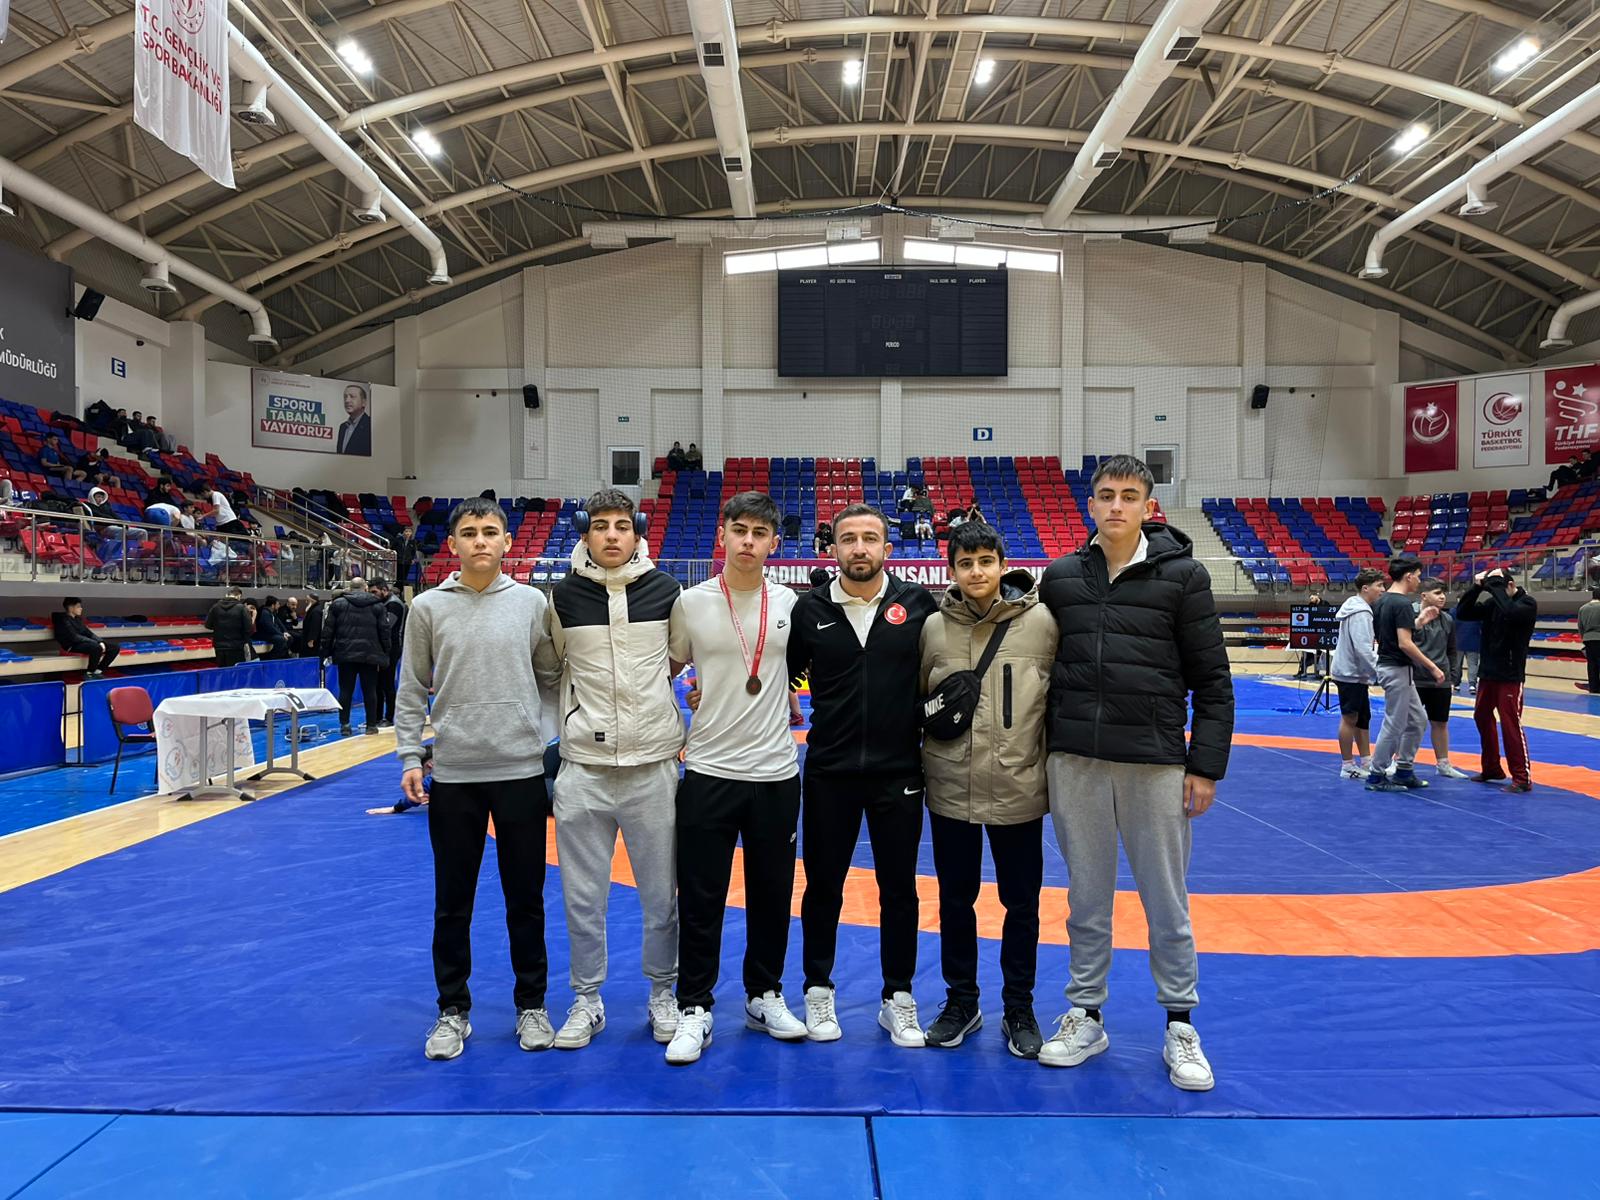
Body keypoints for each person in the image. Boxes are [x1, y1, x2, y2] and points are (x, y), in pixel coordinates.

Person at [1037, 454, 1234, 1092]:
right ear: (1090, 503)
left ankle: (1180, 1023)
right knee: (1086, 899)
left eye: (1128, 495)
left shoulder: (1184, 576)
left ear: (1148, 506)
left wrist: (1204, 766)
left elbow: (1213, 680)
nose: (1116, 505)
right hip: (1076, 761)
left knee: (1166, 900)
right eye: (1105, 494)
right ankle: (1086, 1014)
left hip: (1154, 763)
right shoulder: (1061, 577)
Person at [395, 496, 555, 1060]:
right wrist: (409, 756)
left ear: (508, 542)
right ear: (453, 544)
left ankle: (531, 1005)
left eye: (490, 531)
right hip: (455, 774)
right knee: (452, 901)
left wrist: (542, 735)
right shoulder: (427, 608)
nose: (480, 540)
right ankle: (452, 1010)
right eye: (469, 532)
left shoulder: (533, 603)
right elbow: (411, 686)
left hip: (521, 771)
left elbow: (552, 677)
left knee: (525, 899)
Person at [533, 489, 685, 1050]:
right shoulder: (562, 597)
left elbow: (676, 659)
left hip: (652, 767)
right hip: (584, 770)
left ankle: (662, 993)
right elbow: (550, 669)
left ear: (638, 531)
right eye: (601, 526)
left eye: (622, 525)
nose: (612, 535)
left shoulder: (667, 591)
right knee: (582, 897)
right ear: (585, 532)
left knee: (661, 896)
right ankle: (586, 999)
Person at [785, 504, 938, 1048]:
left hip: (900, 770)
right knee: (823, 886)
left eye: (869, 538)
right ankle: (817, 988)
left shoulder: (917, 605)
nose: (859, 548)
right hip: (830, 770)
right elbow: (783, 674)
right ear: (832, 549)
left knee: (899, 889)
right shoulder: (810, 610)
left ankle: (898, 997)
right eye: (848, 538)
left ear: (887, 549)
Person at [663, 491, 801, 1065]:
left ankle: (763, 994)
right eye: (739, 530)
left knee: (772, 895)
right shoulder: (689, 603)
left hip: (775, 772)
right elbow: (664, 671)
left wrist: (785, 698)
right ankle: (694, 1005)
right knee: (701, 897)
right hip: (709, 769)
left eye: (759, 532)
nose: (748, 541)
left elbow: (796, 671)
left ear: (774, 543)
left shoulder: (791, 603)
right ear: (722, 536)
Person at [919, 522, 1057, 1059]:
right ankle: (962, 1001)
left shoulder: (1042, 623)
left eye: (985, 561)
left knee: (1021, 904)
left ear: (1002, 564)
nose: (976, 572)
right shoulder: (933, 629)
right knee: (956, 901)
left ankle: (1019, 1006)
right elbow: (920, 702)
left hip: (1018, 789)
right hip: (951, 788)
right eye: (965, 563)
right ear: (951, 570)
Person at [1363, 557, 1445, 793]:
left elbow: (1392, 633)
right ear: (1409, 576)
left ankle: (1404, 770)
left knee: (1417, 720)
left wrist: (1419, 622)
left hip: (1393, 667)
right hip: (1397, 668)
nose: (1419, 581)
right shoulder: (1401, 603)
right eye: (1418, 576)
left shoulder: (1383, 600)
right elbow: (1404, 643)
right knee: (1395, 723)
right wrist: (1432, 667)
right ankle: (1376, 775)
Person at [1456, 567, 1538, 792]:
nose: (1494, 594)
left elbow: (1511, 613)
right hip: (1488, 672)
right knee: (1481, 716)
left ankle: (1522, 778)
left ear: (1510, 586)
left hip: (1510, 675)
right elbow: (1463, 612)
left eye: (1498, 589)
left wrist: (1497, 588)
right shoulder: (1493, 604)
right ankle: (1492, 767)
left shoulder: (1527, 604)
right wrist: (1476, 588)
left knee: (1510, 723)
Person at [1329, 569, 1384, 779]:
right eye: (1379, 585)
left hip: (1355, 673)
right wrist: (1380, 671)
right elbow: (1363, 648)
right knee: (1350, 718)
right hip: (1350, 673)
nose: (1382, 590)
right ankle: (1347, 764)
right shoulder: (1361, 612)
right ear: (1366, 588)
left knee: (1362, 718)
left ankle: (1366, 760)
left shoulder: (1358, 608)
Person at [1412, 579, 1469, 779]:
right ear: (1423, 596)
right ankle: (1399, 761)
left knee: (1440, 722)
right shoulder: (1410, 615)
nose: (1442, 597)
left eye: (1443, 593)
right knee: (1409, 723)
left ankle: (1443, 763)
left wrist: (1452, 677)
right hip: (1416, 678)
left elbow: (1452, 650)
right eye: (1437, 593)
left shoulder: (1447, 619)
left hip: (1441, 680)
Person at [322, 576, 391, 736]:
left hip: (345, 654)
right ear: (365, 587)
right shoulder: (377, 605)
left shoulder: (338, 604)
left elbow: (328, 631)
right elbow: (384, 631)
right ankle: (371, 725)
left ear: (350, 588)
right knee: (370, 691)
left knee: (345, 691)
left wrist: (325, 652)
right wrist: (386, 652)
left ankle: (345, 725)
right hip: (370, 655)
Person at [52, 597, 121, 677]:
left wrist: (101, 641)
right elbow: (74, 637)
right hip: (71, 645)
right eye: (78, 606)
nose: (81, 608)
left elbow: (88, 633)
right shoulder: (62, 620)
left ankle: (98, 671)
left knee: (115, 647)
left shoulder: (77, 619)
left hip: (83, 643)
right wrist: (96, 643)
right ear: (70, 607)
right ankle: (90, 673)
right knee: (96, 648)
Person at [371, 579, 406, 728]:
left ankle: (390, 717)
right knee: (378, 683)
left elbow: (386, 625)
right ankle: (377, 717)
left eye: (375, 592)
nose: (372, 595)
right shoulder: (383, 603)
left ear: (384, 590)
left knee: (387, 683)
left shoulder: (394, 604)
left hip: (392, 648)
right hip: (383, 647)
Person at [204, 587, 254, 667]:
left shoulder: (215, 607)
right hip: (236, 646)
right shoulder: (241, 608)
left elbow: (207, 625)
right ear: (239, 596)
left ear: (227, 595)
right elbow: (249, 628)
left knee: (222, 670)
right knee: (235, 671)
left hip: (219, 646)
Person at [1294, 590, 1329, 678]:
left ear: (1317, 596)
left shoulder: (1325, 604)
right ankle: (1302, 671)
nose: (1311, 600)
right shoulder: (1310, 605)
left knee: (1319, 655)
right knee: (1306, 653)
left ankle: (1318, 672)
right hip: (1312, 633)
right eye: (1310, 599)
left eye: (1312, 598)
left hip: (1322, 633)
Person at [336, 384, 372, 455]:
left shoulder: (370, 425)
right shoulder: (343, 427)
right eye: (345, 397)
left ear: (363, 402)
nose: (347, 400)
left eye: (352, 396)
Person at [1580, 587, 1600, 694]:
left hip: (1588, 639)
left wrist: (1584, 638)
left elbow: (1580, 627)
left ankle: (1593, 688)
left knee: (1591, 665)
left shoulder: (1583, 608)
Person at [391, 525, 419, 594]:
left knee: (404, 577)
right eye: (406, 531)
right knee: (398, 577)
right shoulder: (398, 540)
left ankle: (401, 591)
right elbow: (392, 548)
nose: (408, 533)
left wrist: (412, 559)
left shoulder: (413, 542)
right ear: (403, 532)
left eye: (409, 532)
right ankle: (397, 590)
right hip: (398, 561)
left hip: (407, 562)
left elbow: (413, 552)